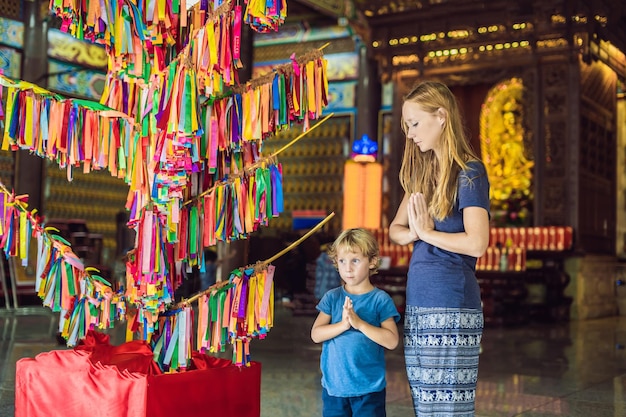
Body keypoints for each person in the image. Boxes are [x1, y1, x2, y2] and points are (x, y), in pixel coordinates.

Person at [389, 81, 490, 416]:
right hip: (420, 300)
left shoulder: (469, 173)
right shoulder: (423, 175)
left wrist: (427, 233)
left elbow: (477, 243)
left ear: (442, 116)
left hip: (452, 302)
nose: (411, 133)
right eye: (407, 126)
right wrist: (415, 233)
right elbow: (396, 230)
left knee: (450, 406)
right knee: (425, 405)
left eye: (415, 123)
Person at [311, 228, 400, 417]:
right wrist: (343, 325)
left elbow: (392, 341)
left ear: (372, 261)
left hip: (369, 388)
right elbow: (316, 335)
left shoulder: (380, 300)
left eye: (355, 260)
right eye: (342, 261)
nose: (348, 268)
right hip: (334, 388)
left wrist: (359, 323)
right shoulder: (332, 297)